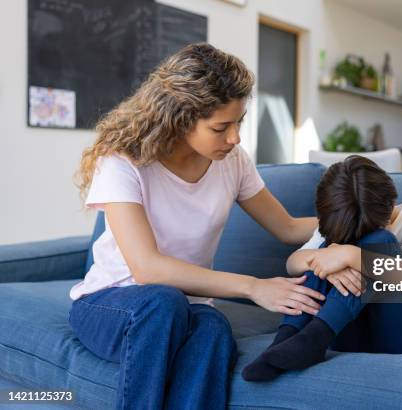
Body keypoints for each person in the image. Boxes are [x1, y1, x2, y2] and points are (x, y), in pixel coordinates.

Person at [68, 42, 329, 410]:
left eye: (239, 122)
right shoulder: (123, 161)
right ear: (179, 116)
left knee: (212, 328)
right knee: (163, 301)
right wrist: (253, 287)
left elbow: (287, 228)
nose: (235, 138)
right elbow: (147, 269)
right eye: (221, 127)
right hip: (110, 306)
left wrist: (361, 219)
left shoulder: (233, 161)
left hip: (184, 309)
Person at [242, 156, 402, 382]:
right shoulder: (339, 218)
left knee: (380, 241)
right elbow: (293, 262)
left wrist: (348, 255)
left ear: (388, 208)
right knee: (324, 249)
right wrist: (327, 256)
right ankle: (286, 340)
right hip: (347, 331)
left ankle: (315, 338)